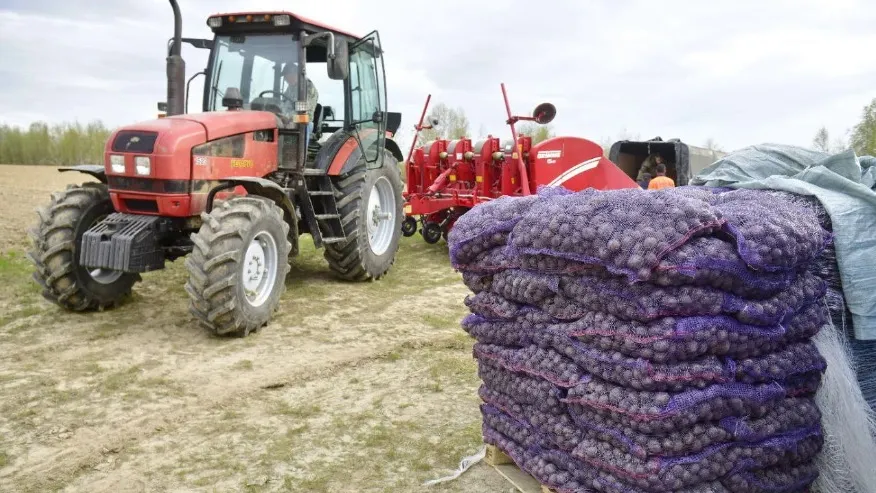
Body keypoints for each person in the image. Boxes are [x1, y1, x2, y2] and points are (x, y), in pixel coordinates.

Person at [281, 62, 319, 146]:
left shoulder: (307, 87)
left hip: (303, 119)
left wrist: (287, 117)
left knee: (300, 124)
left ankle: (300, 156)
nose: (285, 79)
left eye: (286, 76)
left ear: (294, 74)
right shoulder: (291, 87)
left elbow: (302, 110)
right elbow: (284, 103)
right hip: (289, 118)